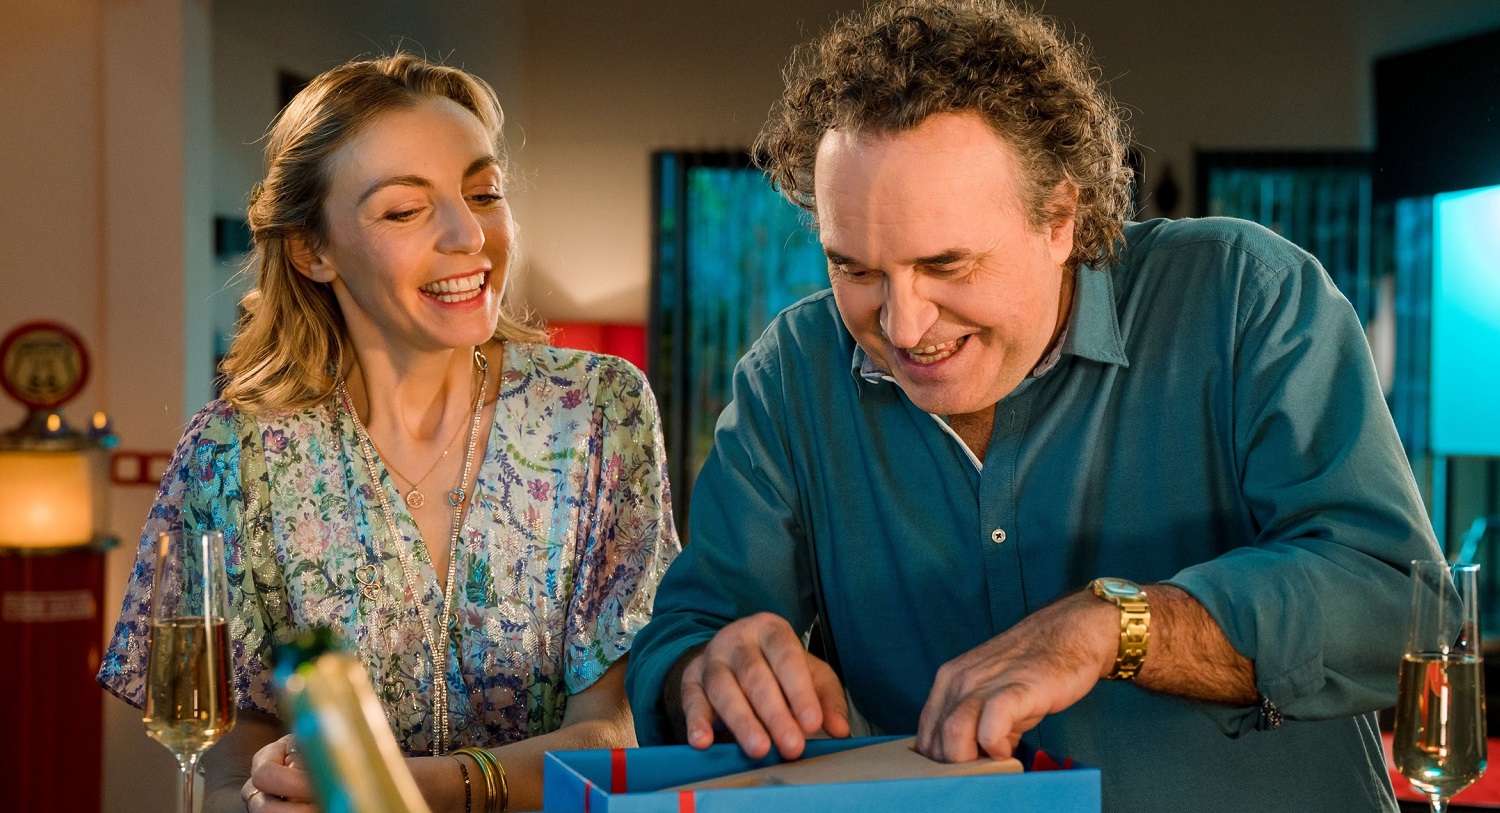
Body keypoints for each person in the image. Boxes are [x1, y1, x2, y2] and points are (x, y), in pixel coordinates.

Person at [624, 2, 1440, 810]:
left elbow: (1400, 606)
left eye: (947, 264)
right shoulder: (790, 375)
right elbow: (685, 636)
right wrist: (710, 668)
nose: (903, 324)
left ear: (1059, 217)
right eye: (856, 269)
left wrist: (1120, 624)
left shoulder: (1245, 298)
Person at [99, 53, 679, 812]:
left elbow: (611, 732)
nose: (468, 233)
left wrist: (398, 789)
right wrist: (265, 788)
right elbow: (223, 766)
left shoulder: (599, 411)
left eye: (484, 192)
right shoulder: (232, 455)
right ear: (313, 249)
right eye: (406, 210)